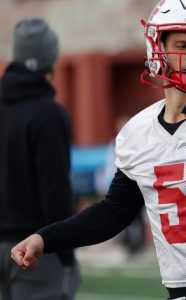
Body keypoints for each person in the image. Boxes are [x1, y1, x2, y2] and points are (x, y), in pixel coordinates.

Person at [10, 1, 186, 299]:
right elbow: (114, 213)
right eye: (183, 45)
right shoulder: (138, 132)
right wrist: (45, 239)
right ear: (157, 46)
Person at [0, 18, 81, 300]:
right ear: (50, 59)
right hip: (33, 248)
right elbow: (54, 189)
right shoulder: (48, 114)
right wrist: (66, 254)